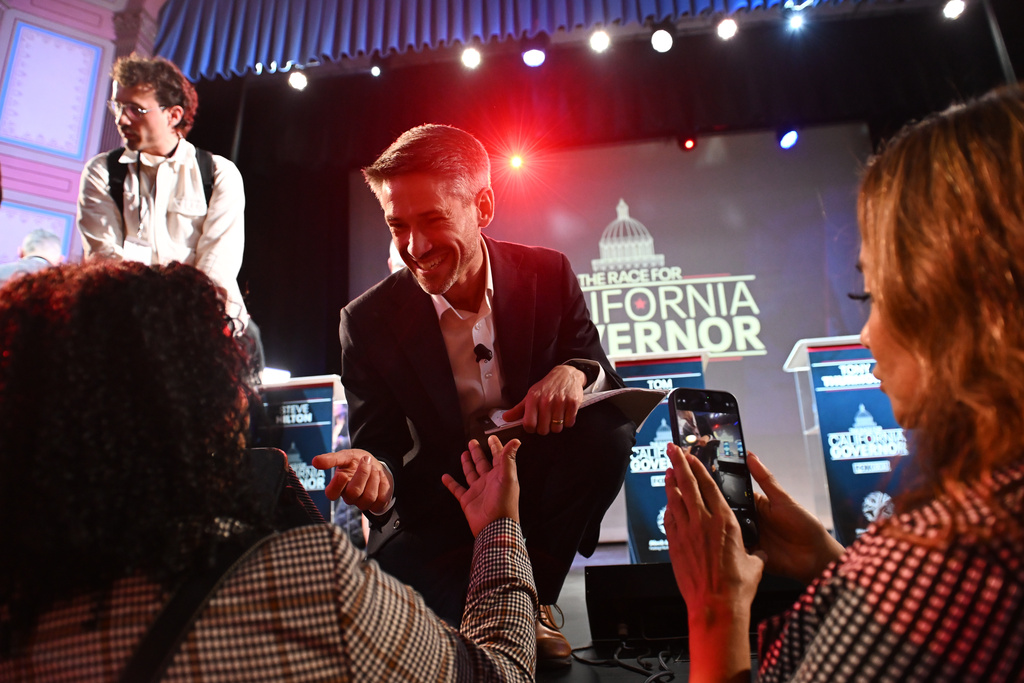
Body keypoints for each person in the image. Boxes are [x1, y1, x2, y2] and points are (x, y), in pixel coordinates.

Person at [0, 261, 537, 681]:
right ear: (203, 409)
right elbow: (499, 675)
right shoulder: (311, 583)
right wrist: (498, 529)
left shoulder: (23, 607)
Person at [663, 85, 1024, 682]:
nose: (864, 335)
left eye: (873, 295)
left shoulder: (949, 561)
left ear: (967, 304)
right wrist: (834, 564)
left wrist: (714, 610)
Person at [316, 124, 636, 663]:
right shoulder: (365, 320)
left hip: (530, 490)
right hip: (436, 505)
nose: (414, 248)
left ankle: (532, 600)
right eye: (398, 226)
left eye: (434, 220)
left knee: (607, 433)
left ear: (483, 206)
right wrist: (373, 474)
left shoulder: (548, 273)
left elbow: (596, 364)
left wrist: (574, 373)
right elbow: (379, 445)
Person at [75, 55, 256, 345]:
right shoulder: (102, 171)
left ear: (173, 115)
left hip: (207, 330)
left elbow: (216, 268)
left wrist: (179, 323)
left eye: (135, 109)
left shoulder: (219, 173)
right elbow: (104, 260)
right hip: (128, 328)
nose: (121, 118)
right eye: (118, 106)